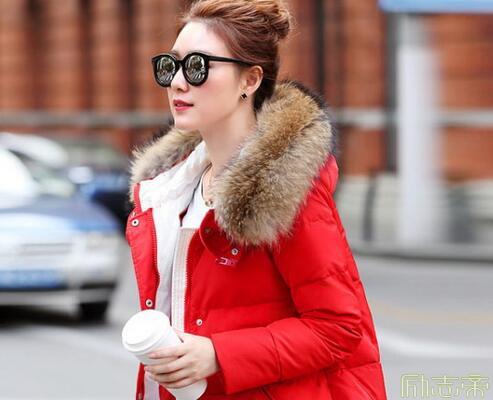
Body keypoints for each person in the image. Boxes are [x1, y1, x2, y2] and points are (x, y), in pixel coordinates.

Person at [125, 0, 387, 399]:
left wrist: (219, 354)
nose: (177, 82)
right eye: (170, 65)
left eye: (197, 66)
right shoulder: (171, 189)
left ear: (249, 80)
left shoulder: (282, 188)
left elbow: (338, 326)